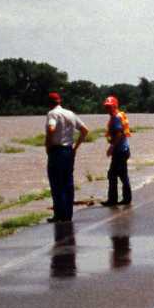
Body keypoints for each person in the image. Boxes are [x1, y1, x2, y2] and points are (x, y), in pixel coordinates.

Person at [44, 92, 88, 222]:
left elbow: (51, 128)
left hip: (57, 151)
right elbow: (85, 130)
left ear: (49, 103)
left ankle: (59, 215)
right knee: (68, 183)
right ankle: (68, 215)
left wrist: (48, 145)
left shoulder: (52, 114)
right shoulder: (70, 114)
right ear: (59, 101)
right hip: (69, 150)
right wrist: (75, 147)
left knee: (56, 183)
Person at [101, 95, 132, 206]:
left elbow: (119, 134)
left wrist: (111, 147)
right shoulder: (119, 115)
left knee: (112, 174)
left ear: (115, 106)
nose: (107, 109)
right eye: (106, 107)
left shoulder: (116, 118)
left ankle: (113, 200)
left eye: (110, 106)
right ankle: (126, 199)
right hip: (124, 149)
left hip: (120, 151)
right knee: (122, 175)